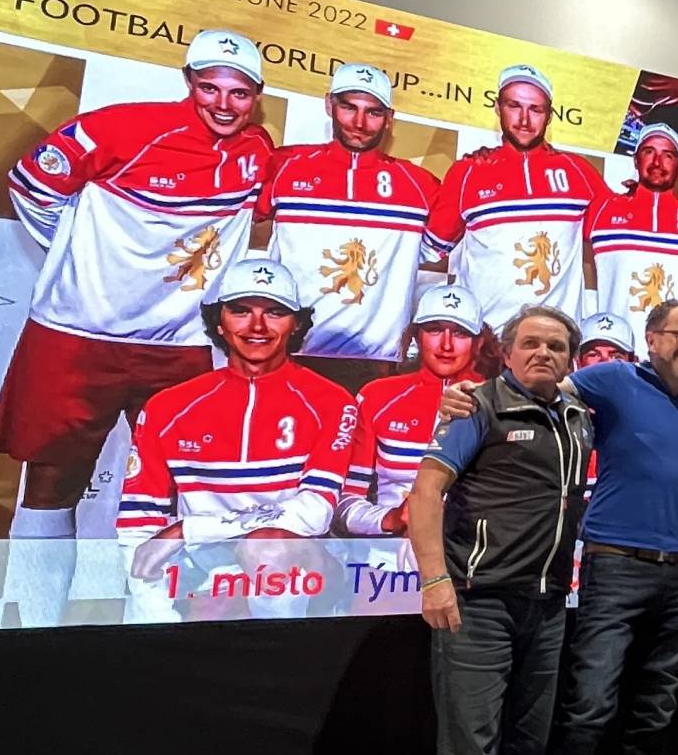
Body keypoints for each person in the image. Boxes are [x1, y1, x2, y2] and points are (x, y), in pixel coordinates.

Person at [441, 299, 678, 755]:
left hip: (677, 572)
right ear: (651, 338)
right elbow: (542, 388)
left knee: (652, 715)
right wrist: (466, 396)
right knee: (588, 712)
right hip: (612, 567)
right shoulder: (613, 379)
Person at [0, 29, 275, 624]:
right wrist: (77, 257)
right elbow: (29, 183)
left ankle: (157, 629)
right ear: (188, 82)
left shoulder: (257, 149)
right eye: (210, 88)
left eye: (240, 93)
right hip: (77, 337)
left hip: (179, 345)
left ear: (257, 96)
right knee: (51, 485)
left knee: (186, 492)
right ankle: (36, 635)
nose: (224, 105)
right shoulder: (120, 127)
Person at [408, 305, 592, 755]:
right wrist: (434, 578)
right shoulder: (477, 406)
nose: (544, 353)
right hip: (478, 602)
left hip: (546, 606)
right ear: (506, 352)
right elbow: (425, 493)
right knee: (472, 753)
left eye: (556, 346)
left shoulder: (577, 417)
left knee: (522, 750)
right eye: (531, 343)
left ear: (569, 360)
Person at [116, 260, 356, 620]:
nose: (257, 326)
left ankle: (283, 649)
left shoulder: (332, 401)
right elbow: (139, 523)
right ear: (219, 322)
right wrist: (150, 614)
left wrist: (189, 529)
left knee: (268, 549)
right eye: (241, 311)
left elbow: (312, 512)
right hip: (200, 563)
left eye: (275, 312)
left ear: (295, 324)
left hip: (297, 560)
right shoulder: (167, 407)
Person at [257, 62, 439, 393]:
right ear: (329, 105)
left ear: (389, 118)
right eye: (349, 107)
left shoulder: (420, 185)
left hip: (376, 363)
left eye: (373, 112)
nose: (359, 123)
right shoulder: (284, 166)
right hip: (290, 355)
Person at [424, 64, 611, 331]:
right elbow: (428, 249)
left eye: (535, 109)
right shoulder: (468, 171)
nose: (524, 120)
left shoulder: (578, 171)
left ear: (549, 116)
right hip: (488, 340)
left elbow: (620, 234)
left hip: (554, 342)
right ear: (498, 108)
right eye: (514, 106)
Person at [336, 286, 492, 538]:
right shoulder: (377, 396)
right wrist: (392, 518)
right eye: (434, 330)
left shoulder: (498, 401)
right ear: (417, 336)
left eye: (460, 333)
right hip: (389, 549)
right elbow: (345, 504)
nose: (446, 345)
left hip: (473, 547)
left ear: (478, 342)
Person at [583, 123, 678, 352]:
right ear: (636, 160)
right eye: (649, 152)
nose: (657, 162)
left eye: (668, 155)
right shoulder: (602, 210)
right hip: (619, 354)